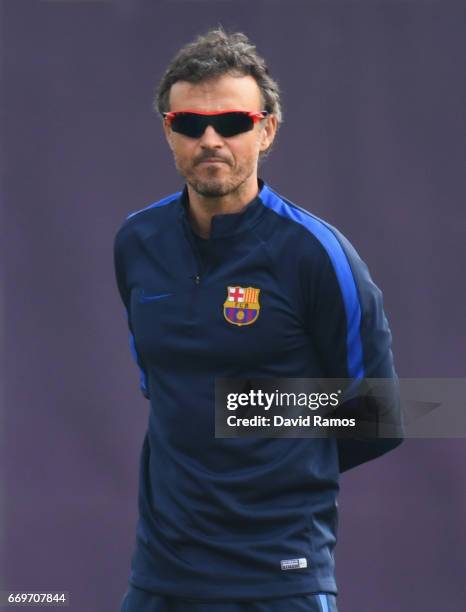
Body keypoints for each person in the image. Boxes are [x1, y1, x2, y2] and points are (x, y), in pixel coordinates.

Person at [114, 27, 404, 612]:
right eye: (191, 124)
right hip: (161, 577)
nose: (211, 139)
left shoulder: (319, 256)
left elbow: (383, 413)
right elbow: (168, 393)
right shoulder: (136, 243)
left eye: (233, 123)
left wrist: (258, 412)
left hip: (279, 579)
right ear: (169, 132)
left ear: (266, 129)